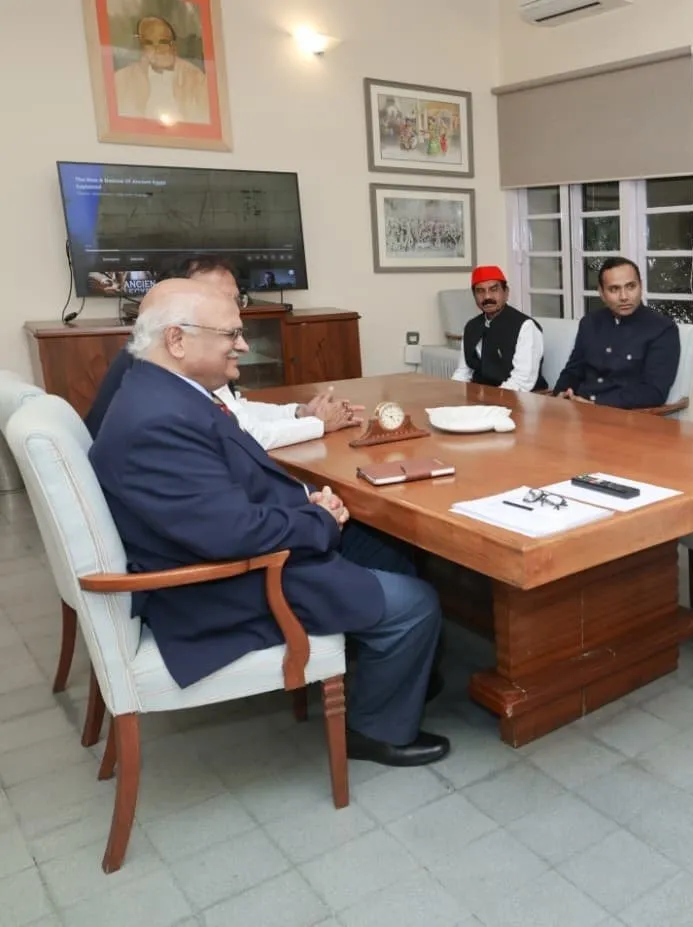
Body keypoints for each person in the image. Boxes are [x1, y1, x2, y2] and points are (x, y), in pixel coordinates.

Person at [90, 279, 449, 766]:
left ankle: (396, 673)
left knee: (387, 548)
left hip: (248, 546)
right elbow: (231, 534)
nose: (241, 345)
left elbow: (222, 499)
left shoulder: (161, 391)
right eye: (230, 335)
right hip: (231, 585)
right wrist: (317, 519)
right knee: (418, 603)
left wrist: (307, 501)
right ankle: (374, 729)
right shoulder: (158, 420)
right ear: (177, 340)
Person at [85, 255, 359, 448]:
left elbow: (233, 410)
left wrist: (299, 413)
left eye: (235, 298)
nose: (234, 309)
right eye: (215, 297)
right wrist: (318, 423)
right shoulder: (154, 367)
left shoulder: (170, 353)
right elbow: (244, 434)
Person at [553, 257, 680, 408]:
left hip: (625, 418)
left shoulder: (662, 329)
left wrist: (596, 404)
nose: (624, 297)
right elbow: (573, 370)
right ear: (601, 293)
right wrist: (561, 392)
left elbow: (654, 392)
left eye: (631, 286)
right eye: (614, 289)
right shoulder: (590, 322)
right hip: (578, 412)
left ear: (641, 286)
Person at [450, 266, 547, 391]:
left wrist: (491, 402)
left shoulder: (525, 326)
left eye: (493, 289)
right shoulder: (471, 326)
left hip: (522, 397)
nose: (487, 297)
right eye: (480, 291)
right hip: (483, 398)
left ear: (506, 293)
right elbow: (463, 372)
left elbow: (522, 381)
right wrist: (451, 395)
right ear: (474, 296)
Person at [114, 16, 210, 125]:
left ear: (174, 46)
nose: (157, 49)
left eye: (163, 42)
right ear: (141, 47)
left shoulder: (196, 78)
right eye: (149, 43)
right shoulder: (122, 79)